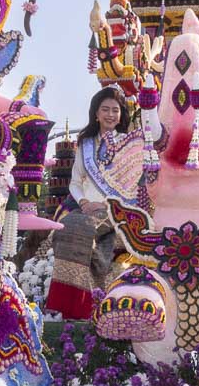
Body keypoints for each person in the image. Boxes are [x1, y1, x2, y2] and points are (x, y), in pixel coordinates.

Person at [46, 88, 137, 319]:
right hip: (86, 208)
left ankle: (84, 303)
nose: (110, 115)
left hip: (116, 210)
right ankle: (69, 304)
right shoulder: (86, 144)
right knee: (67, 227)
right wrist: (84, 202)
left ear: (121, 114)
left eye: (115, 110)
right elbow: (75, 182)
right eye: (105, 109)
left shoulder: (130, 144)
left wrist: (108, 205)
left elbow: (133, 185)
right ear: (96, 113)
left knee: (81, 228)